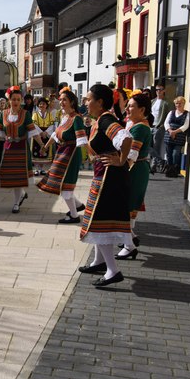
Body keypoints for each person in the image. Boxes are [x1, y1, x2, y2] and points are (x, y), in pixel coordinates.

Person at [77, 84, 133, 287]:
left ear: (100, 102)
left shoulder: (107, 119)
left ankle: (113, 270)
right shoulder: (99, 120)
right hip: (104, 177)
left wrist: (120, 160)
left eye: (88, 99)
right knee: (98, 221)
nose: (86, 102)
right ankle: (99, 261)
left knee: (100, 223)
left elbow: (126, 139)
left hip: (110, 179)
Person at [37, 87, 88, 223]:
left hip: (71, 154)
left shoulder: (76, 118)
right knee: (61, 182)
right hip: (62, 153)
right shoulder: (64, 117)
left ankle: (74, 215)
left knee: (65, 185)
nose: (61, 102)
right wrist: (45, 147)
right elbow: (56, 134)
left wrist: (92, 156)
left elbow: (82, 139)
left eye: (64, 99)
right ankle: (77, 206)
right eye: (60, 100)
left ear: (72, 102)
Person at [0, 85, 44, 214]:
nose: (15, 102)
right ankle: (21, 195)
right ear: (9, 100)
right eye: (13, 99)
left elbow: (33, 131)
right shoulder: (4, 114)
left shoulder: (26, 114)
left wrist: (42, 144)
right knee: (11, 177)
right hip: (8, 148)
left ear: (21, 101)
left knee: (18, 177)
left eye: (18, 100)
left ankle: (16, 203)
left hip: (21, 149)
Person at [116, 92, 153, 260]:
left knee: (127, 205)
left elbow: (132, 154)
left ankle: (129, 244)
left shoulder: (140, 127)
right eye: (128, 105)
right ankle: (128, 238)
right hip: (137, 168)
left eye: (131, 106)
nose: (127, 108)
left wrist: (119, 167)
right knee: (127, 204)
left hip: (135, 169)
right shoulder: (135, 124)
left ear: (142, 109)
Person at [163, 96, 189, 178]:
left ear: (183, 104)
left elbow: (185, 126)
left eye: (180, 103)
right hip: (169, 136)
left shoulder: (187, 114)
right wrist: (170, 131)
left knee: (175, 154)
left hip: (179, 137)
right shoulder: (171, 112)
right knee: (169, 154)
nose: (178, 105)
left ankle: (175, 169)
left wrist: (175, 132)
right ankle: (170, 170)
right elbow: (166, 123)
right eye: (176, 103)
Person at [31, 97, 55, 176]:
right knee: (36, 151)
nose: (42, 105)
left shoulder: (49, 115)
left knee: (45, 151)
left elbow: (52, 125)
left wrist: (46, 132)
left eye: (43, 104)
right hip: (37, 135)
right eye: (40, 104)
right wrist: (41, 132)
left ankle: (41, 169)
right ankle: (36, 169)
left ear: (46, 105)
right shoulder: (35, 115)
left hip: (46, 135)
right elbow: (34, 125)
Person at [150, 85, 171, 173]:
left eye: (160, 90)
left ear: (163, 91)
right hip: (151, 125)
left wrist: (161, 125)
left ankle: (154, 164)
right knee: (150, 146)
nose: (158, 91)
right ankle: (160, 161)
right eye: (157, 90)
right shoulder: (153, 101)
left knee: (156, 145)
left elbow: (166, 116)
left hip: (159, 126)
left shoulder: (165, 103)